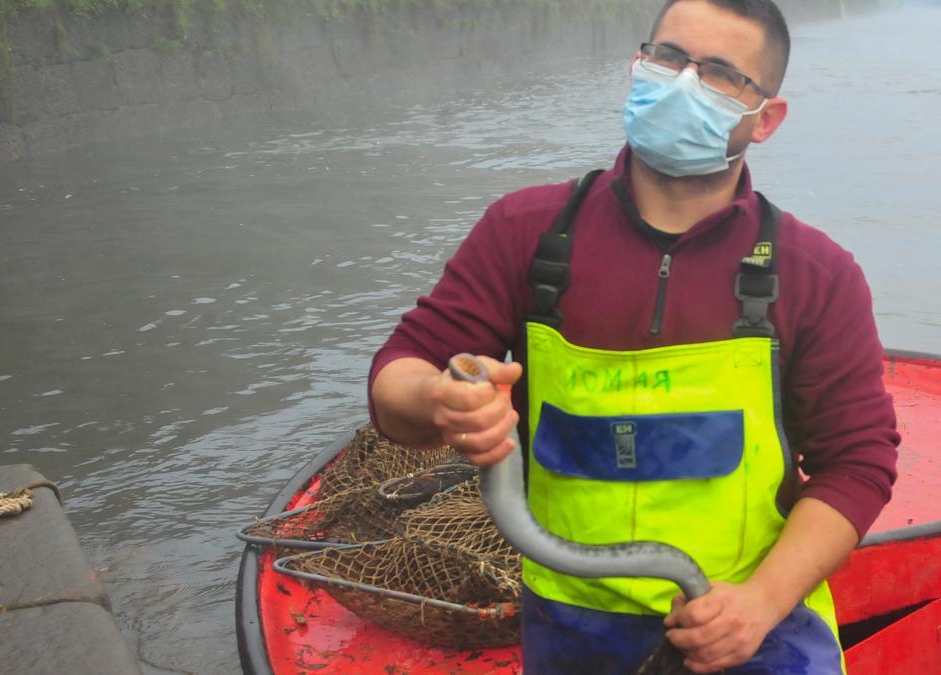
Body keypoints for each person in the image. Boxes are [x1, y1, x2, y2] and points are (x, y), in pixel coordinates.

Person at [367, 0, 900, 672]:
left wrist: (760, 601)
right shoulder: (524, 232)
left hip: (753, 627)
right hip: (569, 630)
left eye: (718, 74)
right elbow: (397, 376)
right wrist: (439, 398)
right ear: (638, 64)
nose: (681, 84)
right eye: (669, 58)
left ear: (765, 119)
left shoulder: (815, 272)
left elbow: (858, 464)